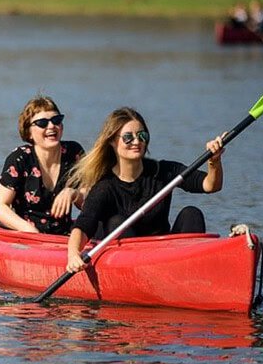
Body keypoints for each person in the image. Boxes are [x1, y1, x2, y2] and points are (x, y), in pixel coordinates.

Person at [64, 107, 225, 273]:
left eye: (142, 135)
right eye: (128, 137)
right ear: (112, 141)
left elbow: (210, 185)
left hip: (164, 258)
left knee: (192, 213)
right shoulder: (105, 187)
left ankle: (192, 272)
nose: (136, 141)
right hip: (128, 266)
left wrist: (214, 162)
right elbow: (83, 226)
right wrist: (73, 255)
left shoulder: (163, 171)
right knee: (117, 222)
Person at [0, 96, 86, 235]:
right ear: (29, 132)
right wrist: (29, 230)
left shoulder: (74, 152)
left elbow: (88, 204)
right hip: (28, 236)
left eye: (56, 120)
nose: (51, 126)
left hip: (64, 237)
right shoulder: (20, 158)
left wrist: (74, 194)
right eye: (42, 123)